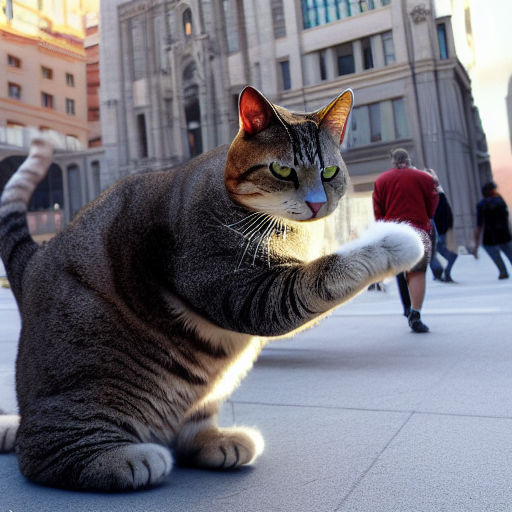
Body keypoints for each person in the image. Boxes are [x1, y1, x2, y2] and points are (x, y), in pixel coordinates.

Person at [372, 148, 439, 333]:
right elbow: (432, 207)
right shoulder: (424, 178)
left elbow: (378, 212)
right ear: (409, 159)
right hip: (419, 230)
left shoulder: (381, 181)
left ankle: (406, 309)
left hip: (395, 232)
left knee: (401, 271)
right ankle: (415, 314)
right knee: (417, 273)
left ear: (392, 160)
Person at [473, 181, 512, 279]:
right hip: (503, 234)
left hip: (489, 236)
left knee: (494, 254)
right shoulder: (500, 201)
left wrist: (476, 243)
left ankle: (503, 271)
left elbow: (479, 225)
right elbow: (506, 218)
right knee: (509, 252)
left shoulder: (481, 205)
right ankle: (503, 272)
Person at [429, 182, 458, 282]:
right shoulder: (438, 198)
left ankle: (440, 273)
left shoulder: (437, 198)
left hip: (439, 231)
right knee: (452, 255)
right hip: (439, 231)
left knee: (433, 253)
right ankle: (444, 273)